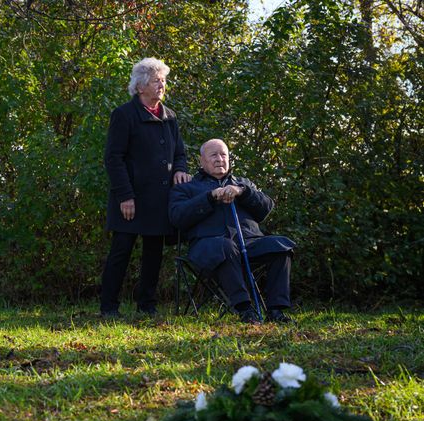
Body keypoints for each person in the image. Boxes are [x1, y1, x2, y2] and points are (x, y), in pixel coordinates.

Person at [169, 138, 295, 323]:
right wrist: (209, 197)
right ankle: (245, 309)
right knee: (225, 246)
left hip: (249, 243)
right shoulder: (187, 187)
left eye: (223, 155)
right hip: (207, 246)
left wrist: (242, 192)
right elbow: (177, 218)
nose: (220, 159)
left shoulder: (243, 183)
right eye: (214, 155)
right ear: (202, 161)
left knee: (281, 245)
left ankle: (276, 311)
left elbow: (266, 208)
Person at [100, 57, 190, 317]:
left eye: (163, 80)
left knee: (154, 254)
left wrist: (180, 170)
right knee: (121, 251)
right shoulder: (123, 115)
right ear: (140, 87)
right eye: (155, 81)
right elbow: (113, 159)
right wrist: (125, 196)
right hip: (130, 199)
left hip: (159, 199)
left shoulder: (170, 116)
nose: (162, 85)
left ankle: (147, 306)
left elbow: (180, 153)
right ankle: (109, 307)